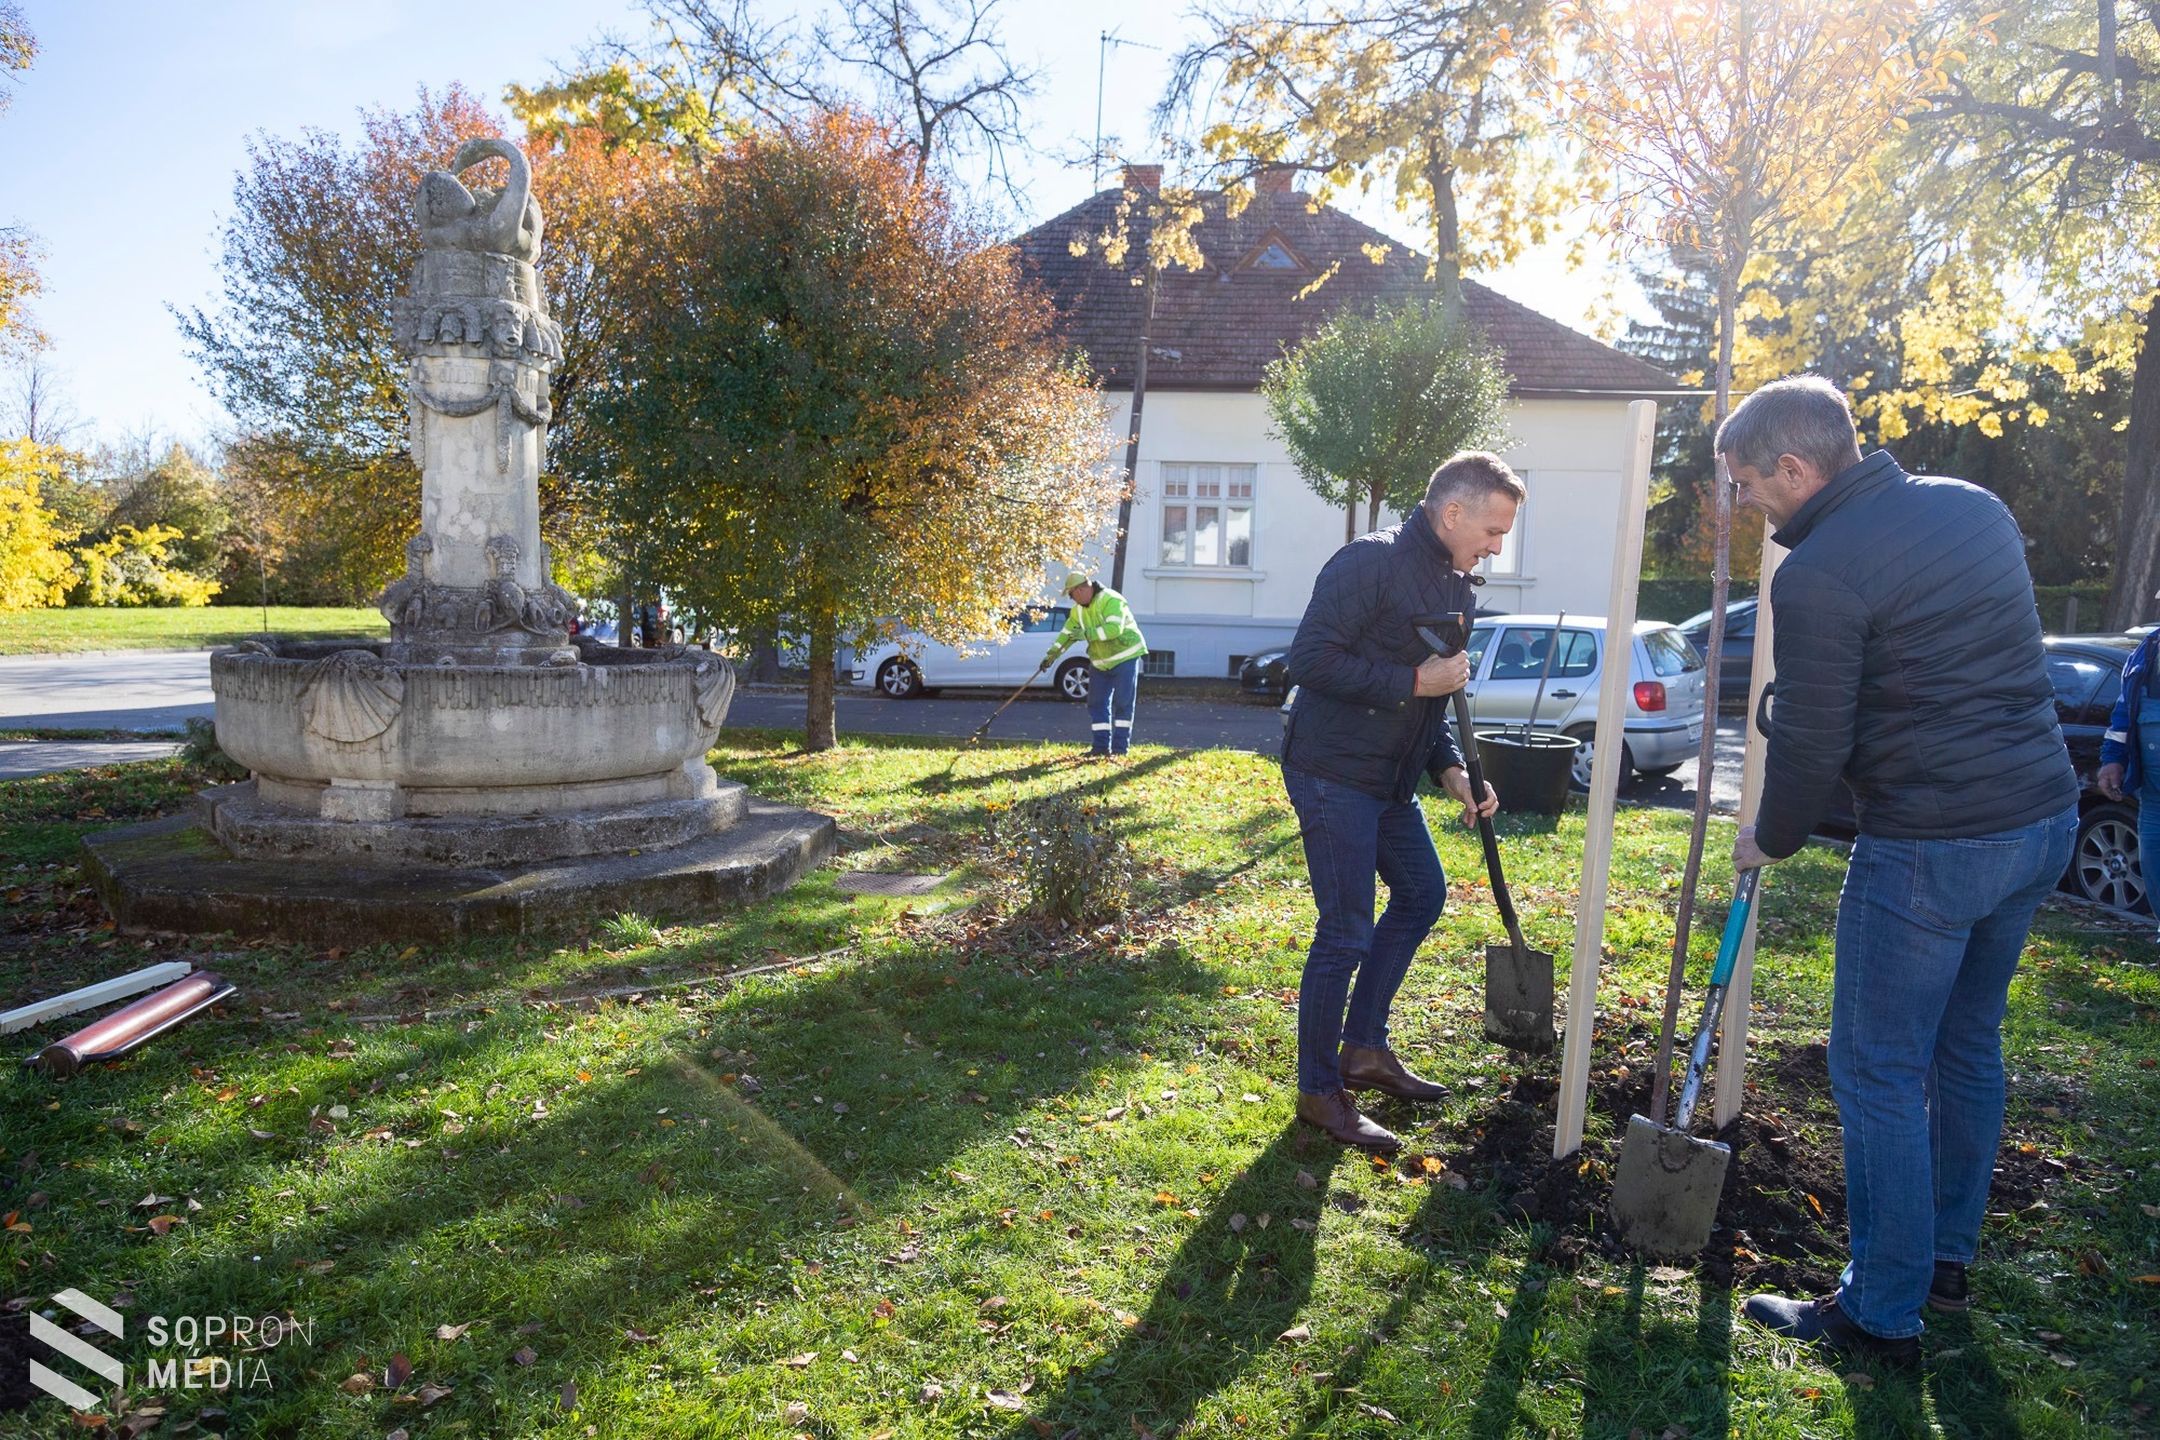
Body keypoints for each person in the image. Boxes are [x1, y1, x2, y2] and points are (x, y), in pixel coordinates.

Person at [1724, 377, 2078, 1365]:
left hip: (1934, 844)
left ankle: (1882, 1309)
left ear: (1796, 467)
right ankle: (1945, 1266)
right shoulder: (1972, 508)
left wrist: (1771, 835)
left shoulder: (1821, 569)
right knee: (1965, 1048)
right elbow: (1947, 665)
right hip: (2041, 820)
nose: (1749, 503)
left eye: (1752, 484)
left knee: (1877, 1069)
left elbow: (1813, 746)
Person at [1279, 452, 1513, 1153]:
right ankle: (1320, 1091)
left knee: (1420, 894)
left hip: (1390, 779)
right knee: (1345, 931)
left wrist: (1450, 772)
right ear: (1452, 514)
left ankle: (1364, 1049)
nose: (1498, 548)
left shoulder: (1456, 583)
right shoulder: (1366, 563)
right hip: (1332, 770)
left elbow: (1436, 702)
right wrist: (1414, 679)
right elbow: (1309, 660)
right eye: (1493, 530)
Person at [2094, 611, 2160, 939]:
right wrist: (2113, 760)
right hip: (2153, 800)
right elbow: (2123, 715)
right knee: (2155, 874)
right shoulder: (2148, 650)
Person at [1042, 573, 1148, 758]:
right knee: (1097, 703)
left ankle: (1120, 750)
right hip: (1100, 662)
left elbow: (1115, 630)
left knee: (1123, 703)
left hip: (1125, 657)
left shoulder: (1112, 600)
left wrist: (1085, 634)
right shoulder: (1078, 611)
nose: (1071, 599)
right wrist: (1051, 656)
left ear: (1081, 590)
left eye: (1071, 594)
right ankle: (1100, 748)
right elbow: (1067, 634)